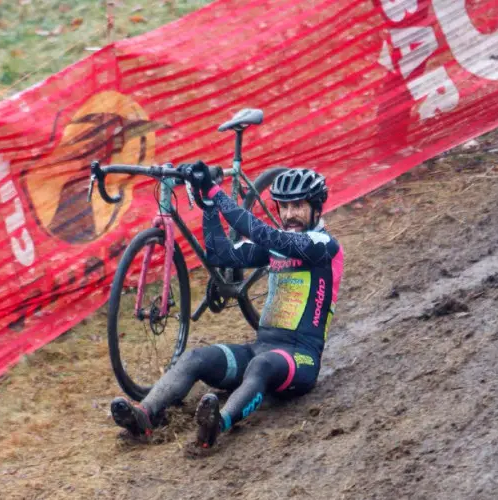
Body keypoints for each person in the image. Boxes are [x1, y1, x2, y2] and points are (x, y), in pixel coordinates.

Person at [110, 161, 344, 448]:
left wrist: (215, 192)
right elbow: (220, 254)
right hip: (261, 349)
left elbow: (263, 234)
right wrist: (208, 206)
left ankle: (216, 425)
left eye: (298, 206)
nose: (289, 214)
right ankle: (144, 415)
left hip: (301, 360)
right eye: (283, 207)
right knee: (195, 357)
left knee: (261, 364)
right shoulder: (278, 245)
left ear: (317, 208)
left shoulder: (323, 245)